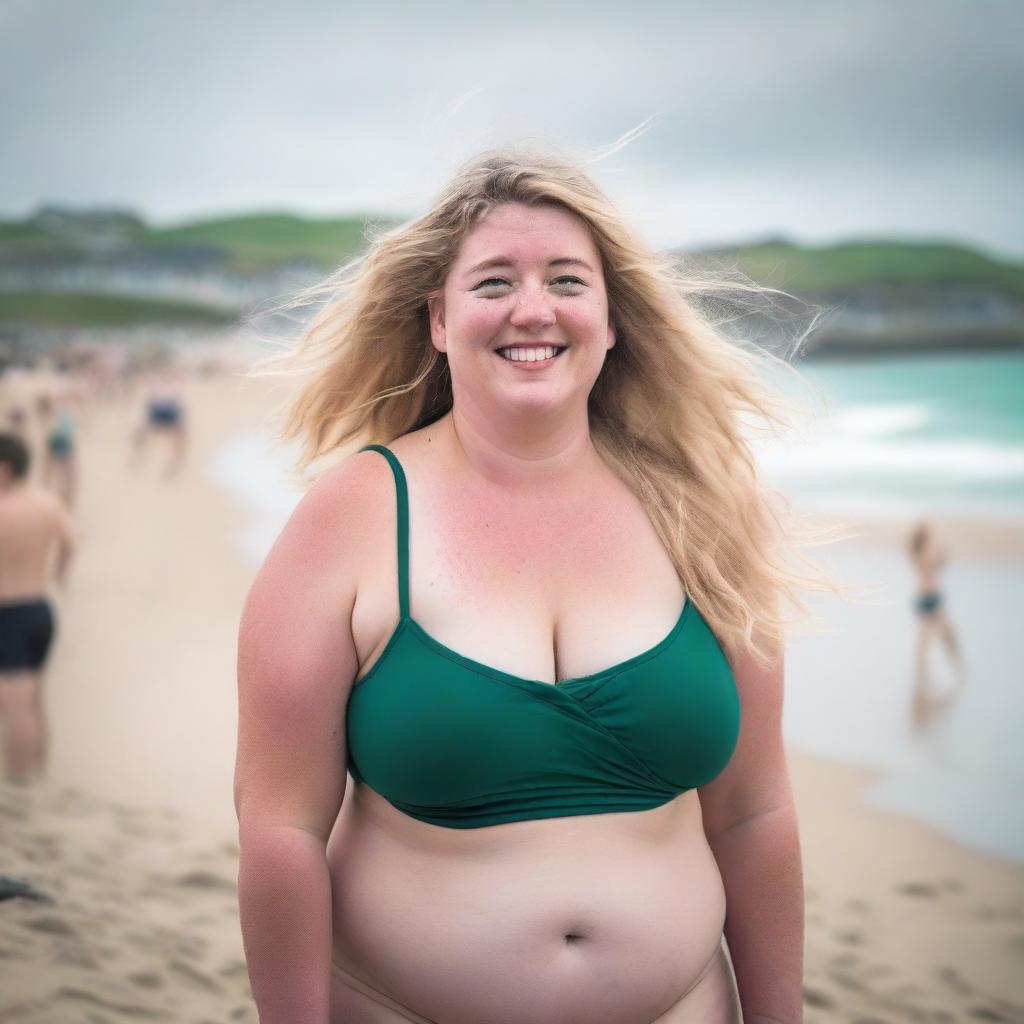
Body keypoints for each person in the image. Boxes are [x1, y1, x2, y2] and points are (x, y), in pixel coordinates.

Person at [235, 149, 836, 1024]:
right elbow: (280, 827)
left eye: (566, 280)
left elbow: (754, 812)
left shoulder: (704, 518)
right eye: (492, 284)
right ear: (438, 319)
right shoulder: (354, 516)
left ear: (610, 318)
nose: (533, 309)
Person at [0, 432, 75, 783]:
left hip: (9, 614)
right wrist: (58, 576)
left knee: (15, 706)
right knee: (35, 700)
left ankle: (20, 782)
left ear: (5, 470)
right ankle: (39, 771)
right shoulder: (46, 503)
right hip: (41, 609)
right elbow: (72, 540)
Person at [907, 519, 965, 727]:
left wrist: (939, 551)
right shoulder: (922, 554)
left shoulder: (921, 554)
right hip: (928, 600)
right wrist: (939, 551)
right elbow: (936, 564)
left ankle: (937, 672)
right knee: (934, 637)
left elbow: (940, 564)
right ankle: (930, 675)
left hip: (931, 599)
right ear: (924, 537)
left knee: (937, 635)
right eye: (930, 535)